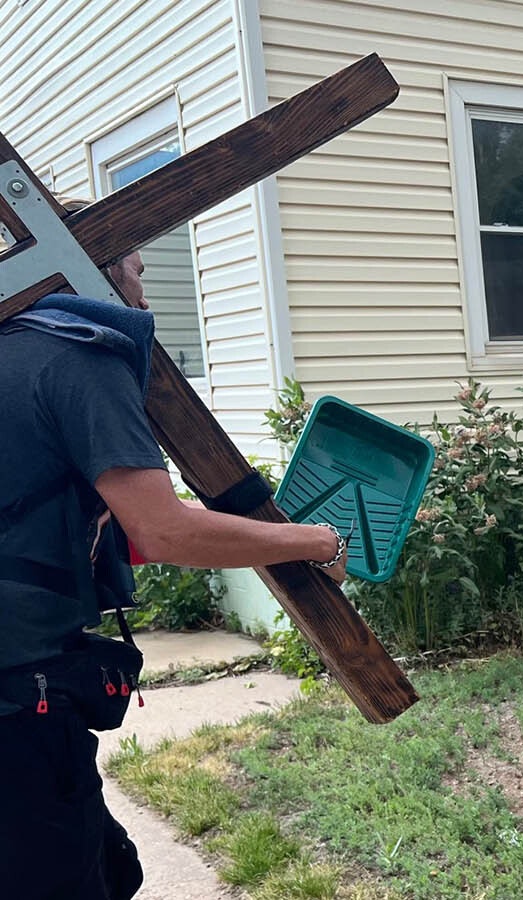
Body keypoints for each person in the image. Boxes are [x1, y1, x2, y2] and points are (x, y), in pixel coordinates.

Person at [0, 214, 349, 900]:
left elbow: (74, 531)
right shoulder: (78, 354)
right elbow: (164, 531)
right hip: (19, 713)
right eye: (135, 270)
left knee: (112, 867)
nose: (143, 294)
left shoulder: (10, 352)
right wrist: (317, 540)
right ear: (88, 271)